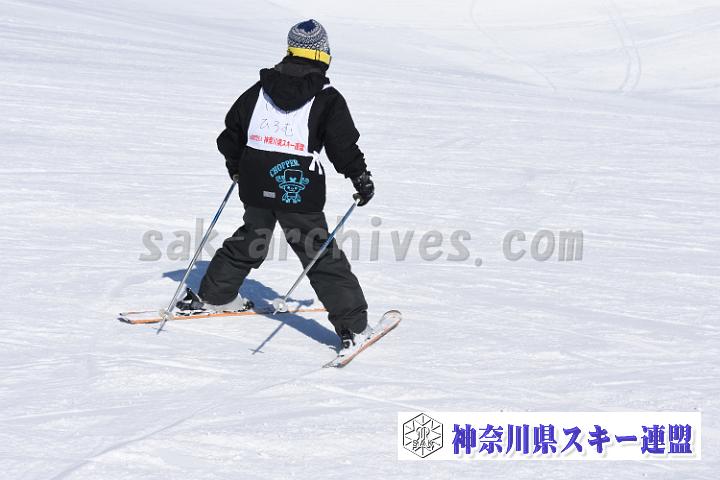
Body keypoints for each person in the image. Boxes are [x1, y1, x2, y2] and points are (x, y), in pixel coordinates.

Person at [177, 19, 375, 350]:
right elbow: (342, 145)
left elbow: (231, 135)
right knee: (317, 250)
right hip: (297, 185)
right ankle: (353, 326)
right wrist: (360, 175)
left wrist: (236, 167)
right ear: (323, 54)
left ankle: (214, 295)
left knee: (252, 236)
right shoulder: (327, 98)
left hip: (255, 179)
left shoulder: (259, 91)